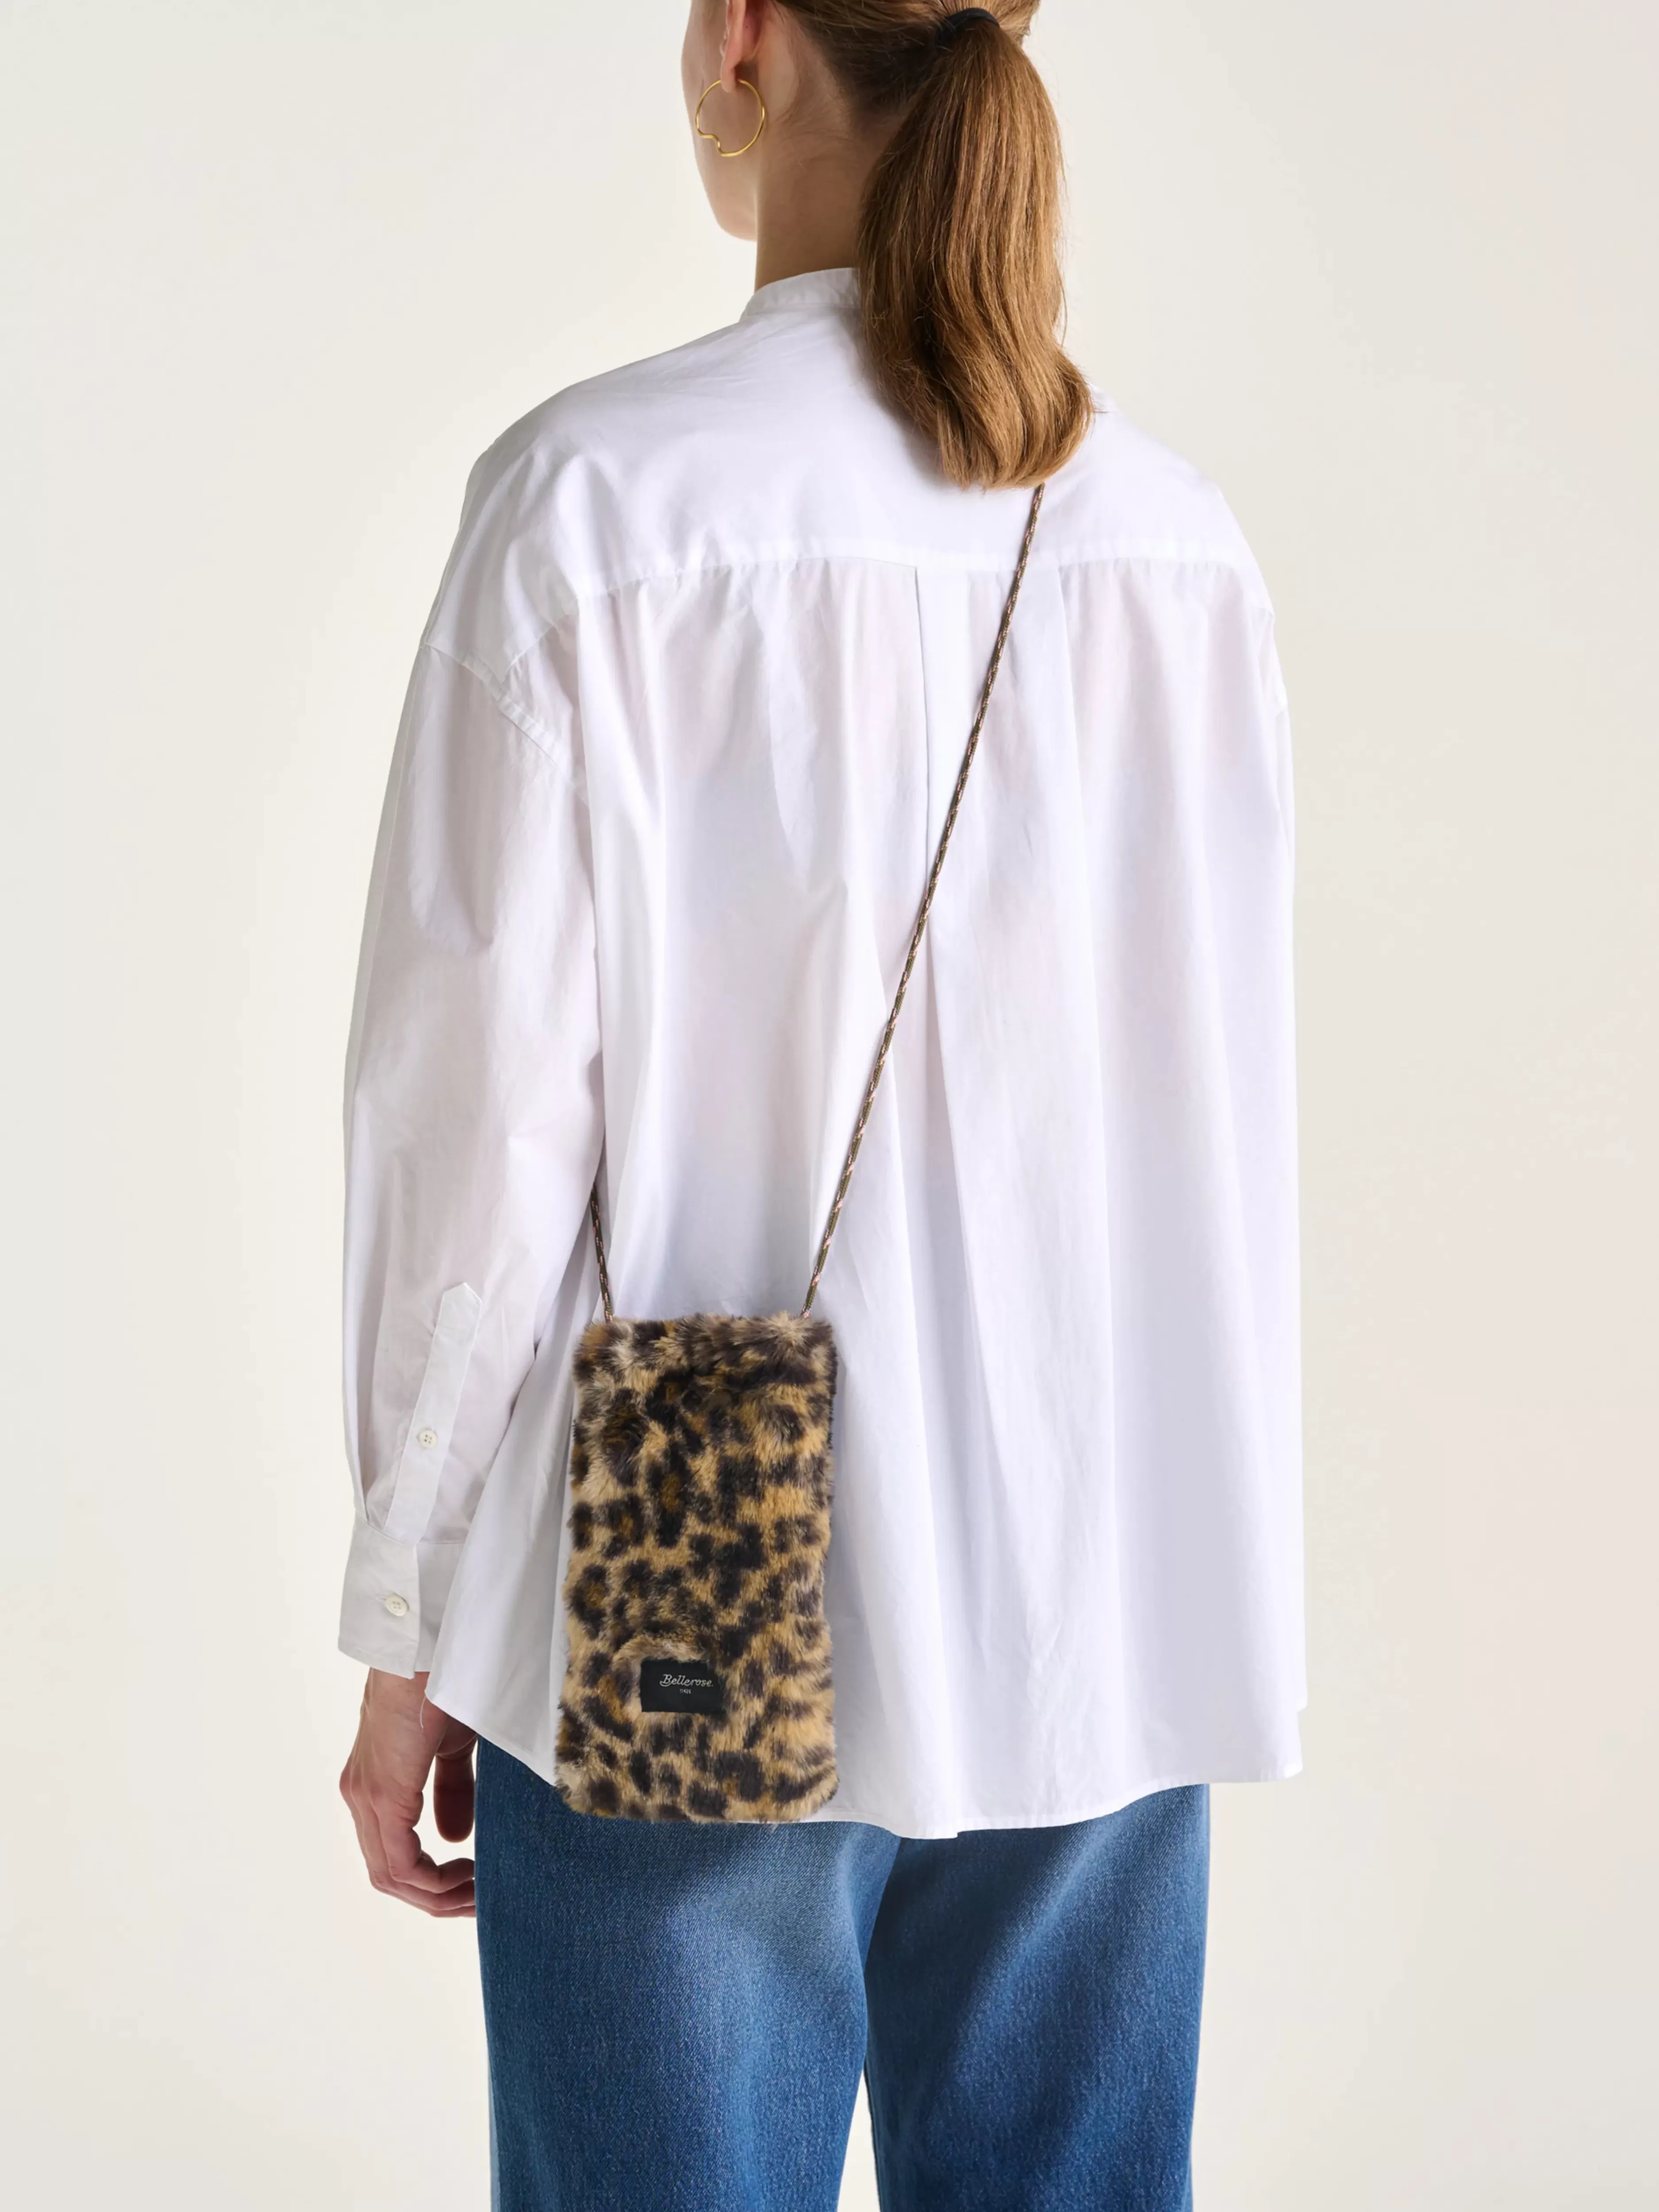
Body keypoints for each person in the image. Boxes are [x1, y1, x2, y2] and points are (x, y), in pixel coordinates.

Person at [336, 3, 1303, 2205]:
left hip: (686, 1588)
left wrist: (410, 1610)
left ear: (745, 39)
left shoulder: (594, 505)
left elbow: (474, 1129)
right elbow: (1214, 1124)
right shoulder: (1175, 543)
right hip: (1100, 1586)